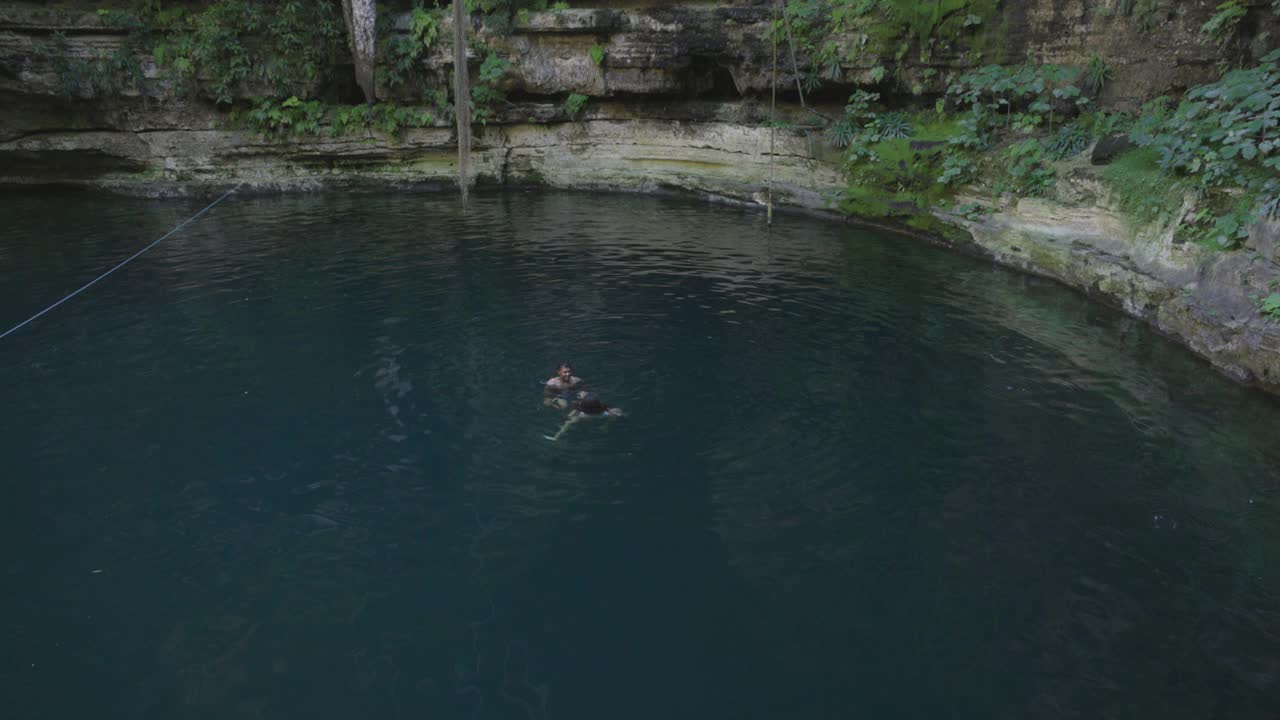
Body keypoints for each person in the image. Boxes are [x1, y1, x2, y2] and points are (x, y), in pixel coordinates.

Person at [544, 391, 624, 441]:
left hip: (585, 418)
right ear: (599, 404)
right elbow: (617, 414)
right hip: (600, 416)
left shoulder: (581, 415)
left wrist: (555, 437)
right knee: (617, 410)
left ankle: (555, 437)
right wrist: (606, 425)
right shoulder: (605, 413)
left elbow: (567, 424)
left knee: (569, 421)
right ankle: (604, 427)